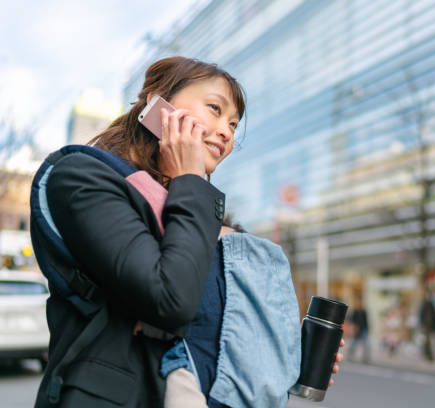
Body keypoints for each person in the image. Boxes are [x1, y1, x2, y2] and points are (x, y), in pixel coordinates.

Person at [32, 56, 342, 408]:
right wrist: (190, 179)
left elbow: (215, 331)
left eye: (233, 124)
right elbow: (170, 299)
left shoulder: (207, 219)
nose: (227, 131)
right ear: (157, 101)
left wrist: (286, 350)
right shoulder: (83, 176)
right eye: (214, 108)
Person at [347, 297, 370, 363]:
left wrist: (367, 329)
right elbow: (352, 320)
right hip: (357, 330)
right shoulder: (355, 311)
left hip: (363, 329)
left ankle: (365, 358)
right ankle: (350, 355)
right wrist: (353, 328)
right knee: (354, 343)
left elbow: (366, 321)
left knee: (366, 344)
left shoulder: (364, 311)